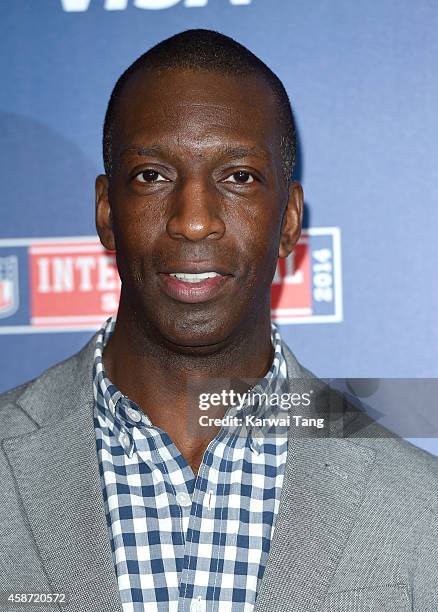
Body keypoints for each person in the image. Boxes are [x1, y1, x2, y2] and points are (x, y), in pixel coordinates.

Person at [0, 29, 437, 612]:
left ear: (288, 222)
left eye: (239, 177)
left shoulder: (416, 505)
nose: (194, 221)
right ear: (106, 212)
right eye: (152, 175)